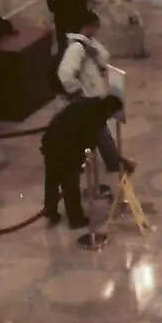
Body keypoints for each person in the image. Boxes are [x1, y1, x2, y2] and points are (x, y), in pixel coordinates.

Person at [40, 94, 134, 228]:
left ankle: (51, 211)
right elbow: (105, 154)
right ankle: (76, 220)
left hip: (50, 140)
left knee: (52, 179)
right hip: (65, 149)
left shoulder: (86, 102)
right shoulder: (96, 120)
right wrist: (123, 163)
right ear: (109, 110)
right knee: (70, 183)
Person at [57, 10, 111, 100]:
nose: (97, 29)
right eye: (96, 26)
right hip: (87, 98)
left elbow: (104, 60)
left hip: (96, 96)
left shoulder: (93, 44)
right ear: (88, 26)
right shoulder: (76, 48)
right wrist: (78, 93)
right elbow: (65, 74)